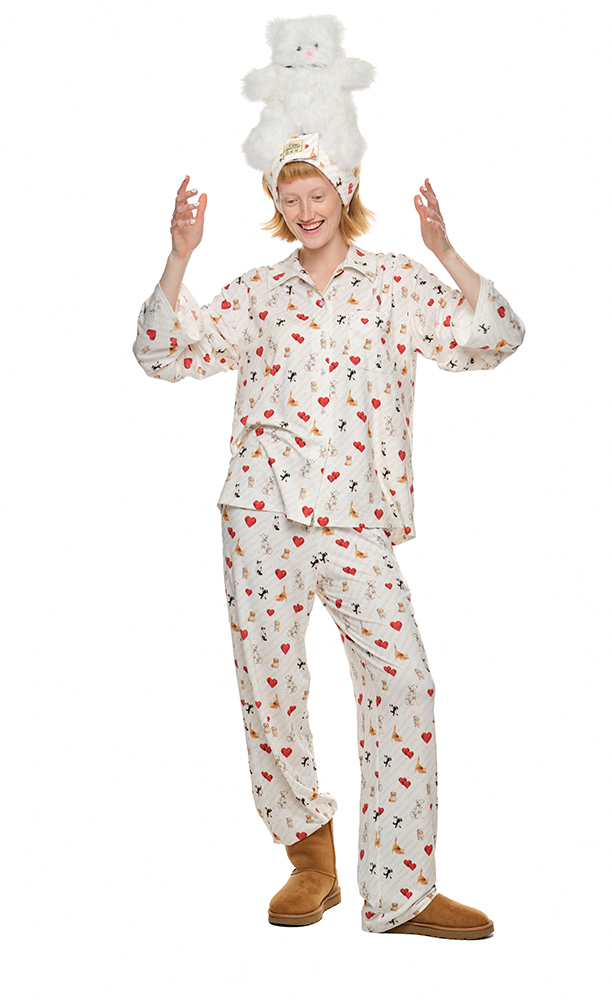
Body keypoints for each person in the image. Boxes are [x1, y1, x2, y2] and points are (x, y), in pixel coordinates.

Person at [134, 150, 525, 938]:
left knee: (403, 681)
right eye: (291, 198)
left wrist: (446, 250)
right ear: (277, 204)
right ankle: (310, 858)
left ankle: (402, 889)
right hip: (261, 510)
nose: (306, 211)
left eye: (317, 194)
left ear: (344, 194)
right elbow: (163, 353)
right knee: (270, 686)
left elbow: (496, 337)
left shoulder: (394, 282)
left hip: (356, 517)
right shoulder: (258, 291)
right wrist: (179, 258)